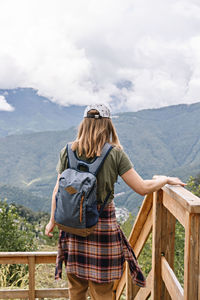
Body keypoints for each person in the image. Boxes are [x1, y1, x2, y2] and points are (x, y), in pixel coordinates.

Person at [45, 104, 185, 300]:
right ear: (107, 124)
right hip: (101, 228)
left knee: (75, 288)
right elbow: (142, 188)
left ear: (83, 123)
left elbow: (57, 190)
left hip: (71, 227)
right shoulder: (114, 154)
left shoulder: (68, 150)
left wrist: (52, 221)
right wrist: (165, 180)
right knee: (102, 291)